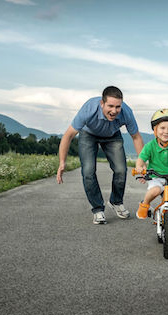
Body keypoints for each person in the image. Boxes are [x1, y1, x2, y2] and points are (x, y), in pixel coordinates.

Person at [57, 86, 144, 224]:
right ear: (102, 103)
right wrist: (62, 162)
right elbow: (68, 136)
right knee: (88, 171)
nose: (114, 111)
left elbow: (136, 137)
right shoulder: (89, 109)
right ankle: (98, 209)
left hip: (112, 135)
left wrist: (142, 163)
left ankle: (116, 201)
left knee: (121, 169)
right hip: (88, 134)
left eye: (118, 107)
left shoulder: (126, 112)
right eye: (110, 106)